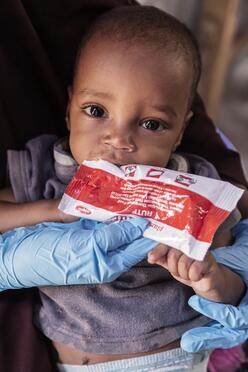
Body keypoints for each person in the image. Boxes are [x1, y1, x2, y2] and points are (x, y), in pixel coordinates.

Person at [1, 2, 248, 372]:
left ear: (181, 131)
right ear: (70, 107)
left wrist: (212, 281)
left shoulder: (195, 187)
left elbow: (233, 284)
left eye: (150, 124)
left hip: (169, 359)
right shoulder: (46, 170)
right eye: (96, 111)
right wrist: (53, 209)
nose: (119, 140)